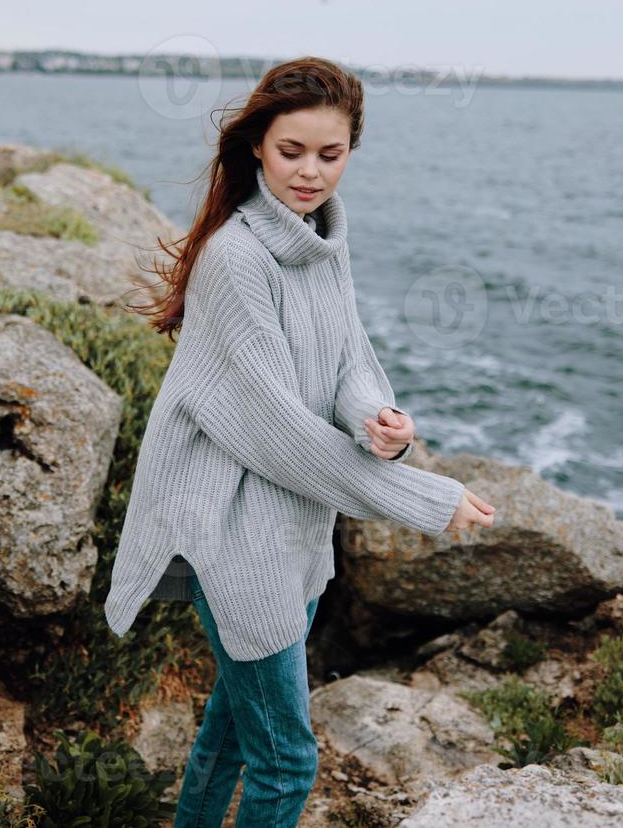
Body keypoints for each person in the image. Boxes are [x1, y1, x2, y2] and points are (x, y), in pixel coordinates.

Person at [105, 55, 496, 827]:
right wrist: (426, 497)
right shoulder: (236, 259)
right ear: (257, 146)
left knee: (227, 731)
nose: (311, 173)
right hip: (233, 534)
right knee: (287, 763)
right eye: (292, 152)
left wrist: (378, 424)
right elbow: (276, 432)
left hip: (294, 530)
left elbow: (350, 358)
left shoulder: (324, 238)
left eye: (331, 154)